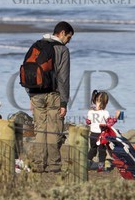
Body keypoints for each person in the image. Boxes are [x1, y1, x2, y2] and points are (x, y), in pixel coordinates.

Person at [22, 21, 74, 174]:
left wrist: (31, 95)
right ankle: (53, 165)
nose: (69, 41)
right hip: (54, 95)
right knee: (53, 130)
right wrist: (64, 102)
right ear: (62, 33)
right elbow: (63, 78)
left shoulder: (37, 45)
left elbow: (28, 71)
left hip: (36, 93)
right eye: (69, 38)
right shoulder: (62, 50)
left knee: (39, 130)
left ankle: (38, 164)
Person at [86, 90, 115, 169]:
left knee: (92, 149)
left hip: (92, 134)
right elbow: (109, 123)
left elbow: (88, 122)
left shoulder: (90, 112)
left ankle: (87, 163)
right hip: (101, 135)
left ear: (95, 101)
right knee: (102, 151)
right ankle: (100, 167)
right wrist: (116, 118)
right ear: (105, 103)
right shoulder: (105, 113)